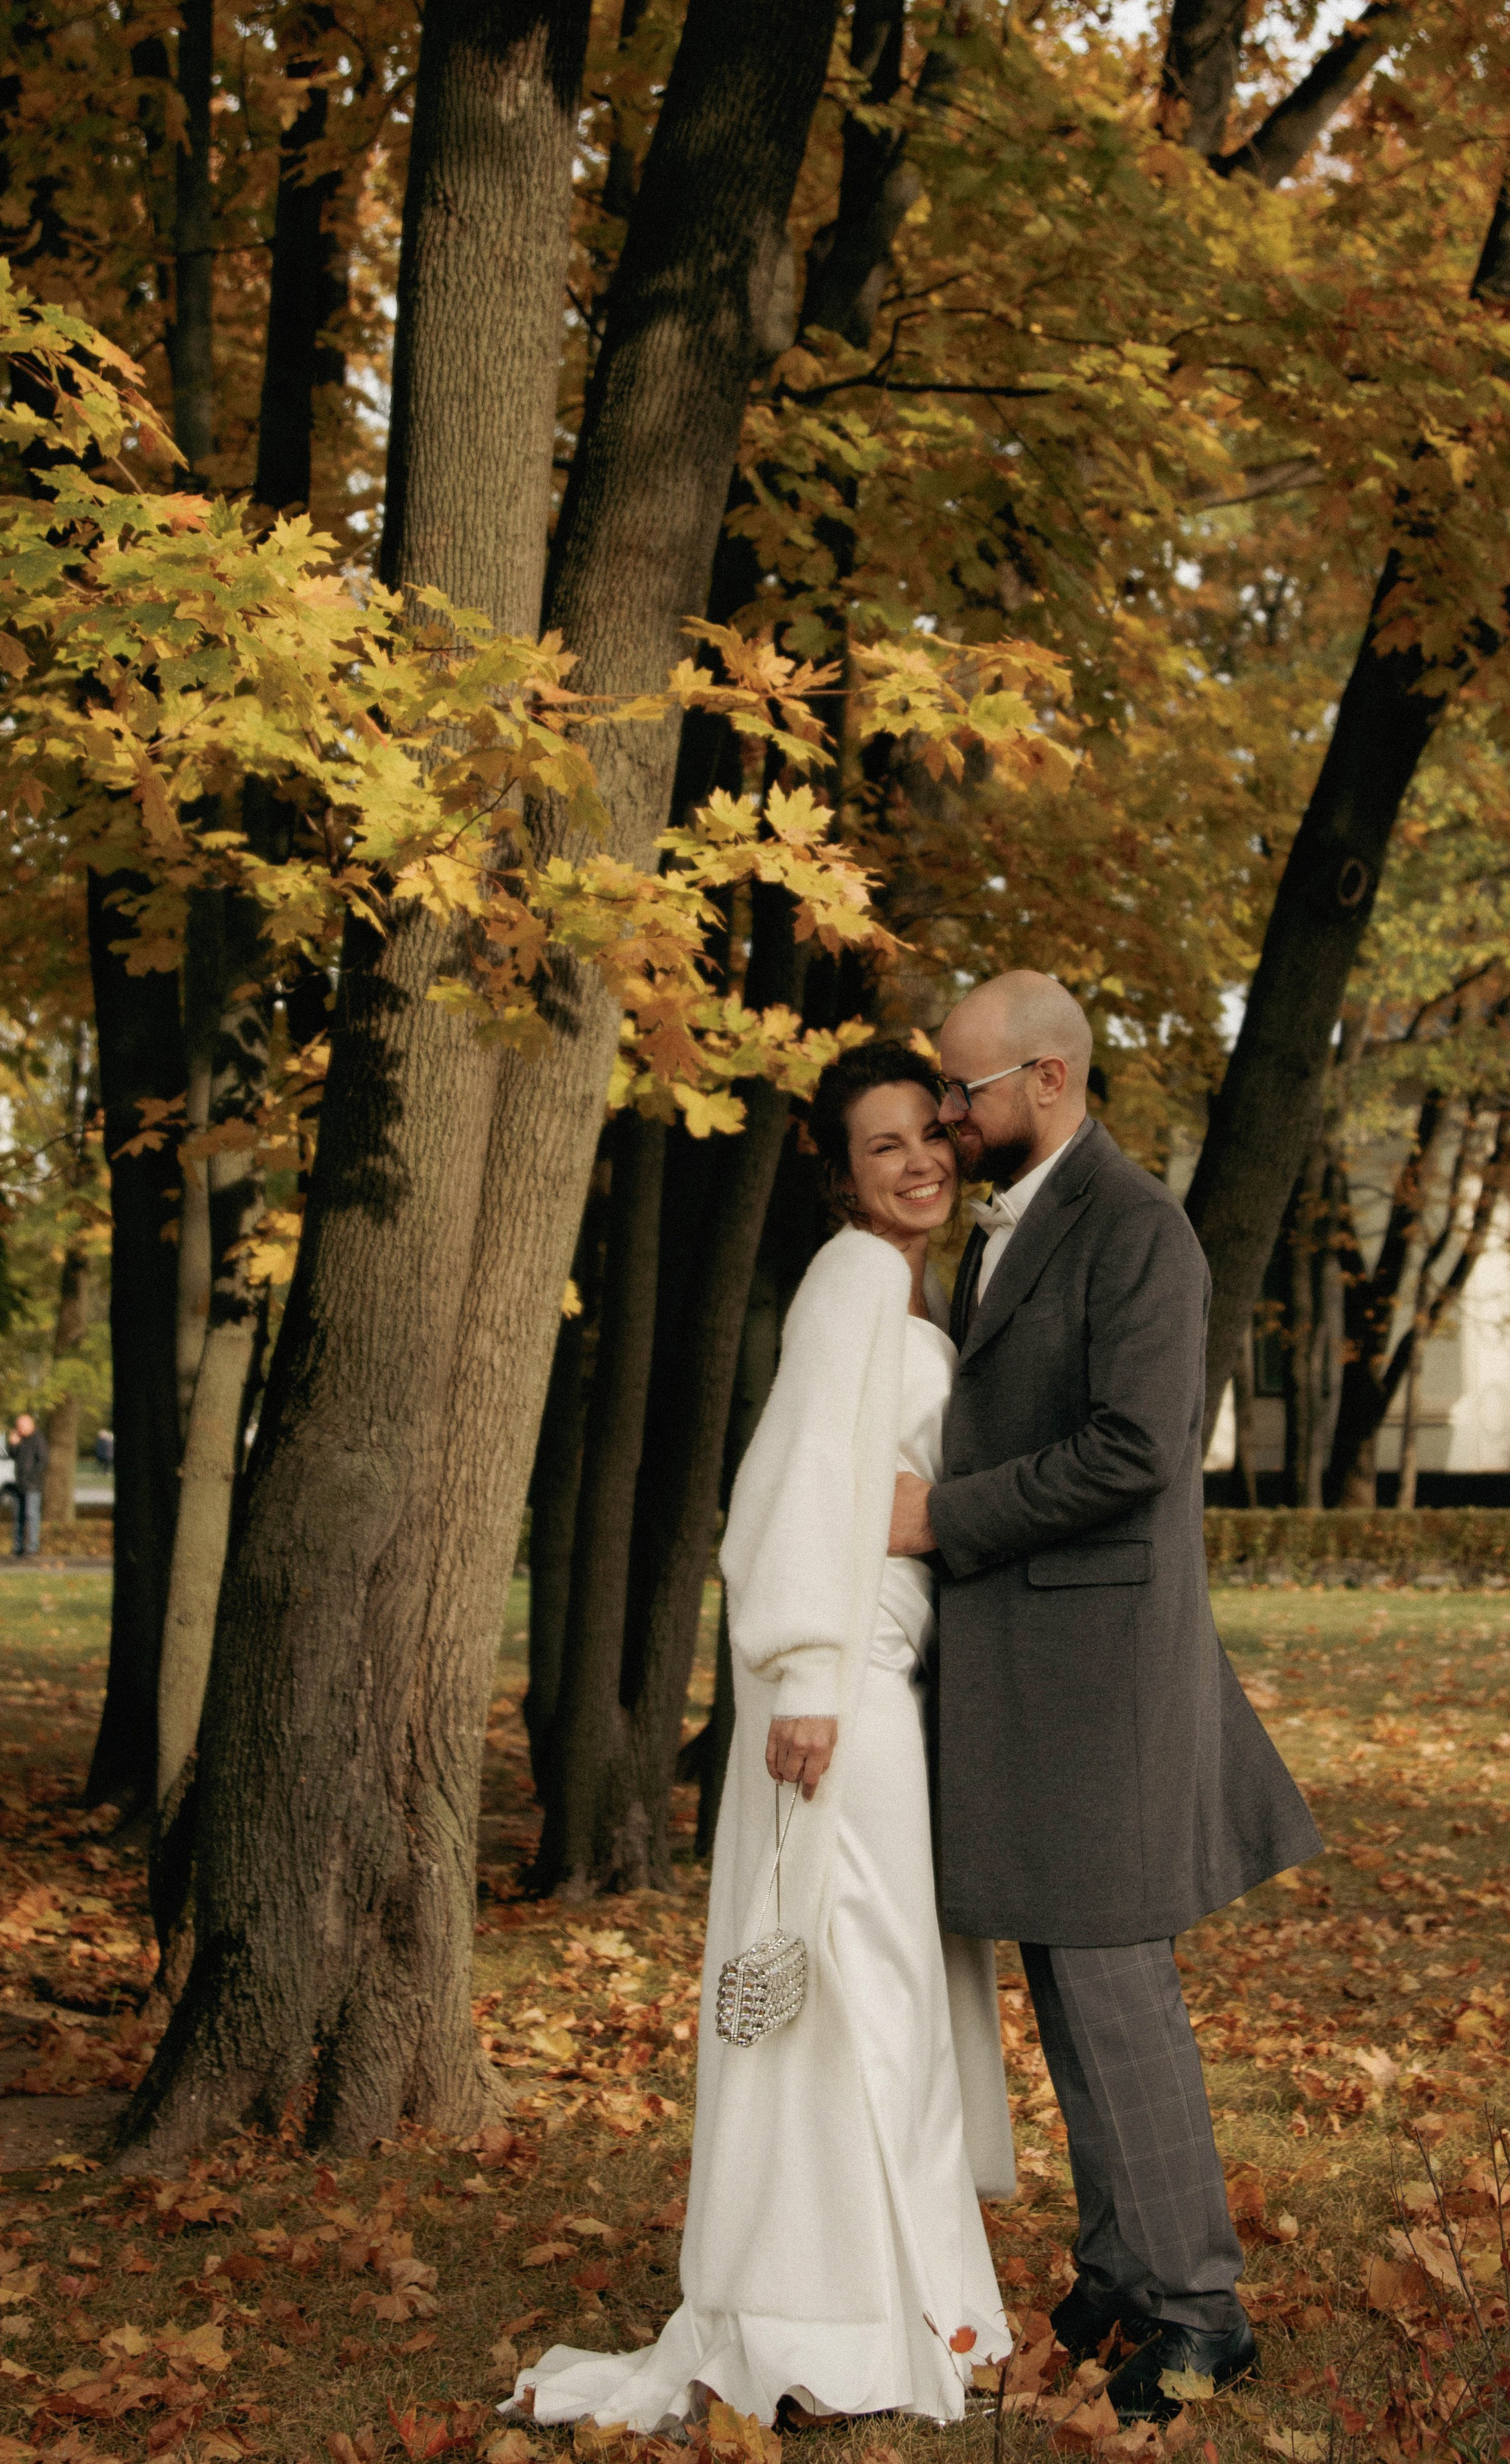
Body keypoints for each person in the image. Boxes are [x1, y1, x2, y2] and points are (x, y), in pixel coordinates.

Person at [503, 1043, 1013, 2435]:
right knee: (854, 1985)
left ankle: (908, 2294)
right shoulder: (854, 1280)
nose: (915, 1163)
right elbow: (794, 1480)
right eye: (880, 1147)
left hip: (887, 1671)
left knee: (883, 1984)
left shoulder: (909, 1286)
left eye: (926, 1135)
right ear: (840, 1176)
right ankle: (839, 2309)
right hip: (843, 1683)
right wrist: (802, 1674)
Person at [887, 970, 1323, 2427]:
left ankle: (1203, 2310)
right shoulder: (1012, 1225)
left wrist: (940, 1517)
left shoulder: (1137, 1227)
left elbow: (1137, 1447)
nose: (946, 1118)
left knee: (1118, 1997)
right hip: (1036, 1676)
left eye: (962, 1091)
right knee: (1068, 1988)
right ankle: (1120, 2270)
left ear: (1048, 1079)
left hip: (1103, 1682)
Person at [8, 1412, 48, 1559]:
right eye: (18, 1427)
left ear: (30, 1425)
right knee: (18, 1516)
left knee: (31, 1515)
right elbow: (13, 1455)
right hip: (19, 1483)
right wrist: (13, 1444)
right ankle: (18, 1547)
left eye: (21, 1426)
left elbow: (43, 1461)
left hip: (33, 1485)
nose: (19, 1429)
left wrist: (32, 1477)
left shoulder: (38, 1439)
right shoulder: (20, 1439)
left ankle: (32, 1547)